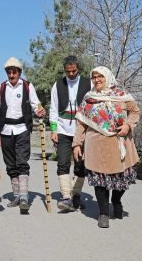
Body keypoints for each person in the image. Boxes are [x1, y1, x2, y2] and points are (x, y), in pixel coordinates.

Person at [72, 66, 140, 228]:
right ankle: (103, 213)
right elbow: (81, 123)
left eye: (100, 76)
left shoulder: (122, 96)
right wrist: (76, 144)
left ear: (108, 77)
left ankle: (116, 201)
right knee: (100, 181)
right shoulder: (89, 99)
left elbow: (135, 112)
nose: (97, 80)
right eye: (94, 77)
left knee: (122, 180)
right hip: (96, 146)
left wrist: (128, 126)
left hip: (119, 144)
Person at [0, 57, 45, 212]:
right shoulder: (1, 87)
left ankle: (24, 197)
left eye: (14, 71)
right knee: (10, 164)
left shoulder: (28, 86)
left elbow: (36, 105)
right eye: (8, 72)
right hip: (5, 130)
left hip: (22, 128)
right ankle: (17, 195)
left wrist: (39, 110)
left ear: (20, 72)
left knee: (22, 161)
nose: (11, 75)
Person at [49, 55, 92, 211]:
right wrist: (53, 130)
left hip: (82, 130)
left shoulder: (89, 83)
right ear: (65, 70)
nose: (71, 74)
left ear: (78, 69)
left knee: (81, 165)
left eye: (74, 71)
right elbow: (53, 109)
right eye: (68, 71)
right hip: (62, 129)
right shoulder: (58, 85)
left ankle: (76, 195)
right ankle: (66, 197)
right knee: (62, 163)